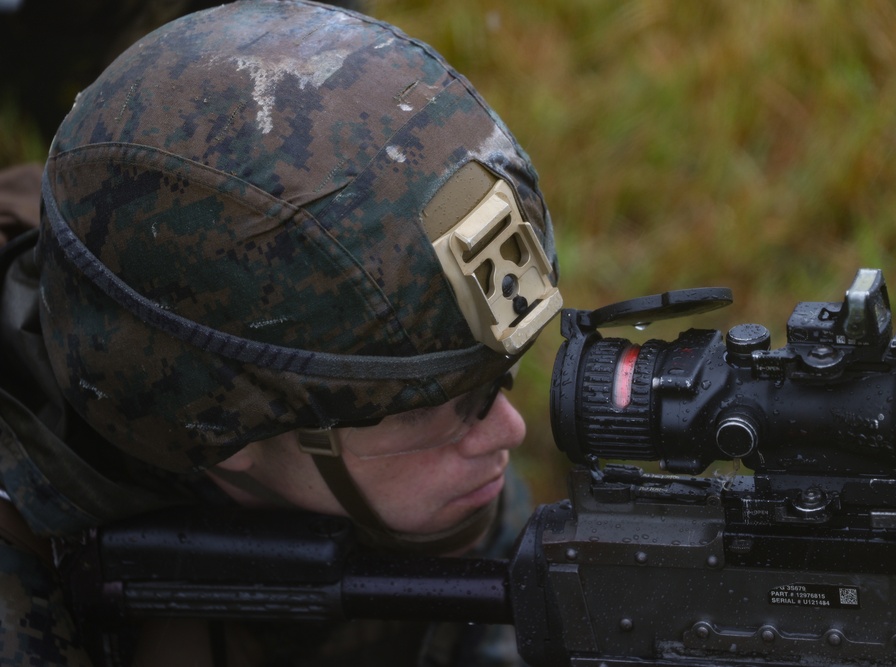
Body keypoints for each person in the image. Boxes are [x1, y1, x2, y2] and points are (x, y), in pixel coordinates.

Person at [0, 1, 561, 664]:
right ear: (222, 422)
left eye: (494, 379)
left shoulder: (407, 463)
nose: (508, 429)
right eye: (444, 408)